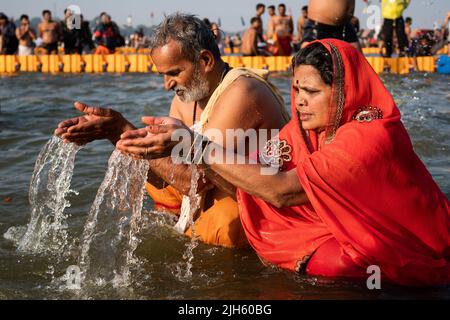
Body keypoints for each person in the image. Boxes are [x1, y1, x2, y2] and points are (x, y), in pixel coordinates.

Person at [118, 39, 450, 286]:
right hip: (345, 230)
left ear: (344, 91)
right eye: (296, 90)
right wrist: (134, 139)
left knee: (334, 266)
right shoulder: (307, 131)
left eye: (311, 91)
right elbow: (249, 173)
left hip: (415, 251)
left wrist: (195, 146)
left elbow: (281, 192)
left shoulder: (367, 137)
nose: (300, 101)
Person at [55, 13, 289, 249]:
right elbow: (172, 171)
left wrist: (120, 129)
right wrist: (120, 138)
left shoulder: (242, 92)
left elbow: (195, 181)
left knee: (224, 223)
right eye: (163, 75)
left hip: (263, 202)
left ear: (206, 60)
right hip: (207, 184)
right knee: (146, 170)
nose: (167, 84)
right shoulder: (187, 97)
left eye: (174, 73)